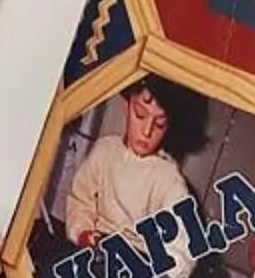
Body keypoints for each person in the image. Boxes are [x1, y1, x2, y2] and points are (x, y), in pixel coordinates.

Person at [62, 77, 203, 246]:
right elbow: (80, 200)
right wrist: (82, 232)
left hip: (136, 256)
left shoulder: (168, 178)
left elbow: (184, 243)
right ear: (126, 106)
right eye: (140, 115)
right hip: (93, 248)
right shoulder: (105, 150)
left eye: (159, 124)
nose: (147, 131)